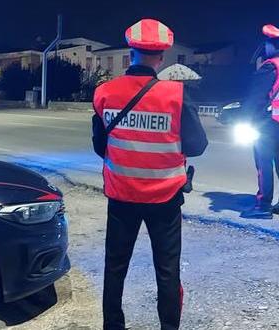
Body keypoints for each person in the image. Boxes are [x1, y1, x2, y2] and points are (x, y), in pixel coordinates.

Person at [92, 19, 208, 330]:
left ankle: (113, 325)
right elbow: (197, 145)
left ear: (131, 52)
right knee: (167, 270)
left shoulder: (104, 93)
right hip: (165, 198)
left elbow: (99, 145)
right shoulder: (176, 95)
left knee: (115, 267)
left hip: (121, 196)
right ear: (160, 56)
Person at [240, 24, 279, 220]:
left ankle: (263, 206)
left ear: (270, 45)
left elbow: (256, 97)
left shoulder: (271, 67)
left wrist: (245, 117)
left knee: (263, 162)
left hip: (267, 121)